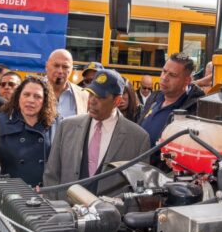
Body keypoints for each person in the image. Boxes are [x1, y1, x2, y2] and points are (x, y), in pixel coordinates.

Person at [43, 69, 150, 200]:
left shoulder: (138, 138)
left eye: (100, 97)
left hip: (111, 218)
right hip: (65, 215)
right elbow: (51, 175)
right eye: (91, 94)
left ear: (117, 101)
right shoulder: (66, 126)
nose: (92, 101)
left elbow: (139, 192)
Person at [0, 76, 57, 187]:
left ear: (45, 101)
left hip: (45, 194)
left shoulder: (57, 124)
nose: (31, 100)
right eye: (26, 95)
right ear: (19, 96)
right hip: (10, 193)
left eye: (37, 96)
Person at [139, 53, 205, 147]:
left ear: (187, 81)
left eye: (172, 75)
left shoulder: (195, 110)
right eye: (164, 71)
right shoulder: (154, 97)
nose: (164, 78)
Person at [45, 49, 88, 121]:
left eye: (65, 67)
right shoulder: (31, 91)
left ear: (71, 69)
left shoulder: (83, 95)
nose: (60, 71)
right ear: (46, 66)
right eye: (56, 65)